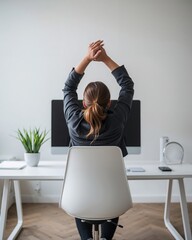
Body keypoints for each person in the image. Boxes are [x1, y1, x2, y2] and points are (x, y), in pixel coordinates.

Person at [63, 40, 134, 240]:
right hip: (113, 198)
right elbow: (127, 86)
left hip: (80, 199)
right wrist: (104, 59)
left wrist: (87, 58)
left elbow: (68, 88)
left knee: (81, 195)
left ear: (83, 103)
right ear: (110, 103)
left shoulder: (74, 122)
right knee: (111, 191)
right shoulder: (117, 120)